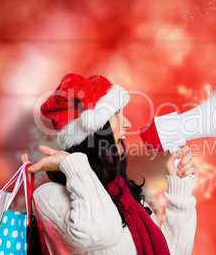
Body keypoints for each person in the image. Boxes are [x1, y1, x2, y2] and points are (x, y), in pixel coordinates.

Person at [21, 73, 199, 254]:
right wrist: (74, 165)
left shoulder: (126, 195)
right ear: (91, 130)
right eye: (115, 114)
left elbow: (171, 251)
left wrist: (181, 192)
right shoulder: (50, 196)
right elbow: (101, 235)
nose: (128, 124)